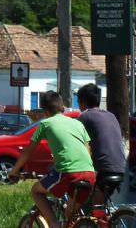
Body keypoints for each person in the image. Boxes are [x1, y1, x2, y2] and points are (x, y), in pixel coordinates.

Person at [9, 91, 96, 228]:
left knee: (36, 191)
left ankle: (53, 223)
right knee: (70, 215)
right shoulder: (77, 123)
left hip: (68, 173)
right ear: (62, 107)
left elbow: (27, 152)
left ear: (45, 111)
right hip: (89, 174)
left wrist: (14, 171)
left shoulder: (45, 124)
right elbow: (88, 151)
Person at [76, 83, 125, 201]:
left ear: (82, 102)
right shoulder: (111, 116)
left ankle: (97, 216)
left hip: (103, 170)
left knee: (91, 204)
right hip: (122, 168)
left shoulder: (85, 117)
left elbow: (75, 143)